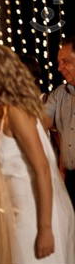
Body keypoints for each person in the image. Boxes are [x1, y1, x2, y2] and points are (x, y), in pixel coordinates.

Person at [0, 44, 75, 264]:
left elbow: (42, 168)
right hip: (24, 215)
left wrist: (45, 229)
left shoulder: (17, 111)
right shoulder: (8, 111)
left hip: (38, 217)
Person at [44, 36, 75, 209]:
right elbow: (40, 121)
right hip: (71, 180)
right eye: (58, 62)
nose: (59, 68)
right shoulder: (59, 94)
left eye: (66, 62)